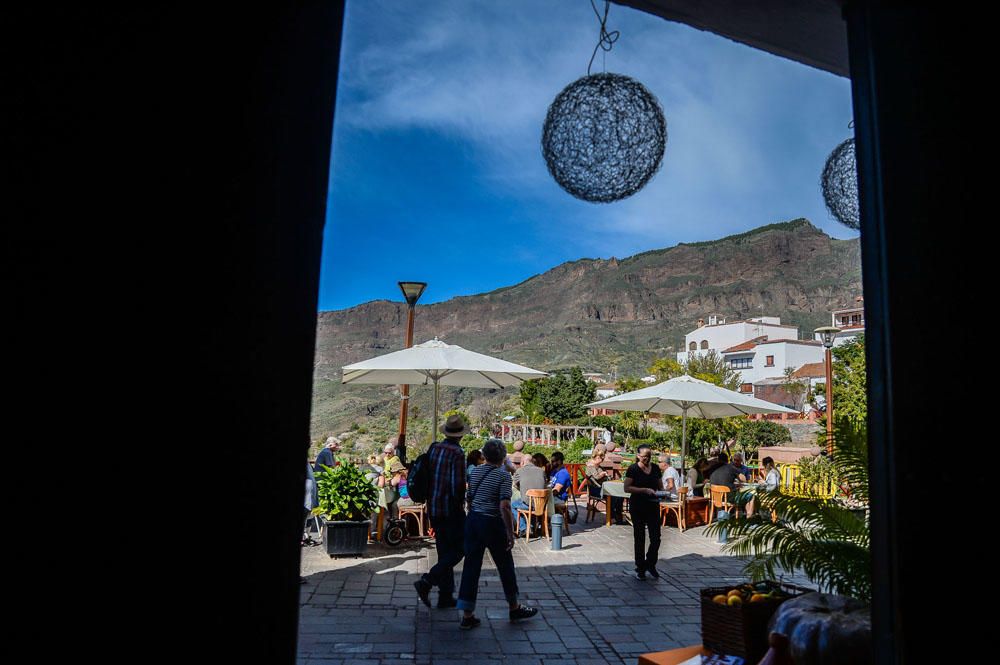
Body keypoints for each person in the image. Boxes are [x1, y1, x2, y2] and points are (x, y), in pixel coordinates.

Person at [456, 438, 538, 629]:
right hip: (492, 522)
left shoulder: (475, 472)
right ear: (502, 457)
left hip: (474, 520)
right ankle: (514, 606)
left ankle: (467, 614)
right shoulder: (503, 477)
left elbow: (468, 497)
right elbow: (505, 506)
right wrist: (510, 532)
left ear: (484, 455)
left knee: (471, 566)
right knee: (505, 565)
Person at [414, 415, 468, 610]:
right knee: (461, 549)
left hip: (433, 507)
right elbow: (458, 486)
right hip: (450, 510)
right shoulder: (458, 453)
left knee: (444, 550)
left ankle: (445, 595)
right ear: (460, 435)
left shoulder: (435, 448)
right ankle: (427, 581)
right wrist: (461, 508)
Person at [624, 443, 663, 580]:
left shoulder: (656, 468)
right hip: (638, 505)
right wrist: (644, 490)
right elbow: (627, 488)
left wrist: (664, 493)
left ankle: (650, 563)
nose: (647, 459)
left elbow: (660, 486)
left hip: (653, 506)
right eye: (644, 457)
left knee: (656, 537)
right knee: (639, 537)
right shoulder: (633, 469)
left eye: (649, 456)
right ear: (638, 456)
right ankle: (640, 567)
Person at [510, 452, 547, 533]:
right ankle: (533, 526)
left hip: (528, 504)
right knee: (527, 501)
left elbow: (515, 485)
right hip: (542, 504)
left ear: (523, 462)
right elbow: (545, 485)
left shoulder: (519, 471)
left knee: (512, 505)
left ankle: (524, 528)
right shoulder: (541, 471)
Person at [586, 450, 623, 524]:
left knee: (620, 496)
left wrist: (606, 475)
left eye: (602, 459)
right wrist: (603, 474)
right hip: (595, 490)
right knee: (613, 496)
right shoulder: (590, 466)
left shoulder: (598, 466)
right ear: (596, 457)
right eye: (600, 459)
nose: (601, 461)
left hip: (602, 488)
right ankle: (612, 517)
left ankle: (618, 516)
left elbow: (606, 476)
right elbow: (596, 477)